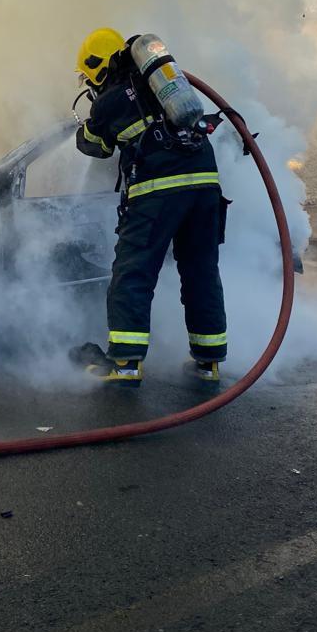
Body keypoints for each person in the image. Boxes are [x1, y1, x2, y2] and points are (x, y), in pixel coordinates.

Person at [71, 28, 228, 389]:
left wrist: (84, 128)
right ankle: (208, 364)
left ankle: (125, 365)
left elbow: (95, 146)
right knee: (201, 272)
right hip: (205, 184)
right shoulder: (164, 85)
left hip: (158, 191)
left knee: (133, 274)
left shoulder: (110, 100)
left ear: (97, 67)